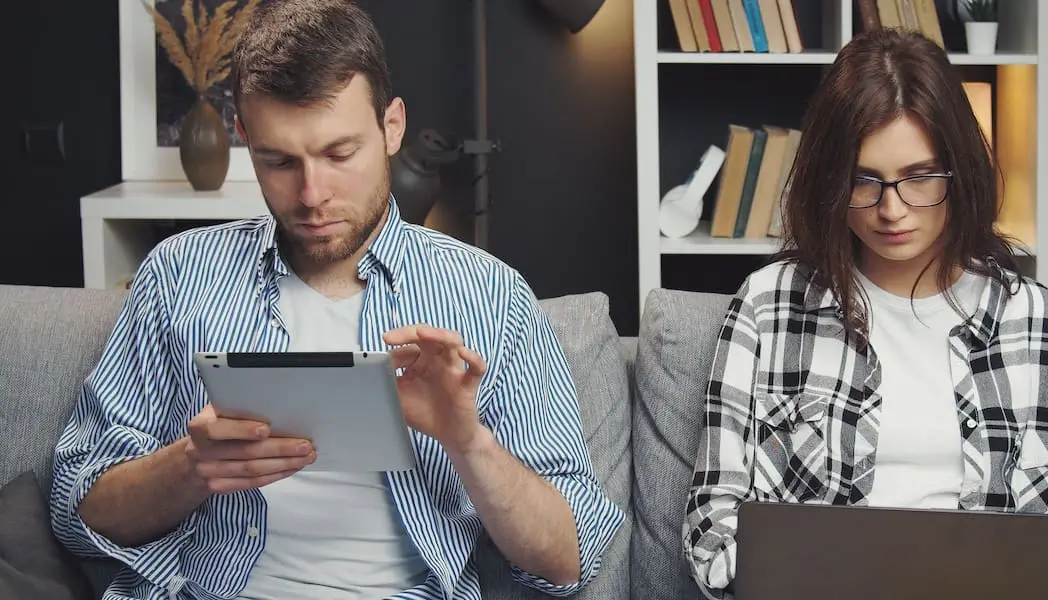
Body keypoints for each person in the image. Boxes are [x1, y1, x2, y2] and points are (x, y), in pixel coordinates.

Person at [49, 1, 624, 599]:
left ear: (392, 127)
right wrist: (191, 468)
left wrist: (467, 440)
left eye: (339, 154)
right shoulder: (179, 274)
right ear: (245, 139)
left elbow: (566, 558)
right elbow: (77, 509)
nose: (311, 194)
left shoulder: (490, 296)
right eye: (279, 162)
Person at [682, 28, 1048, 600]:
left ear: (960, 173)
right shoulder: (768, 306)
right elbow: (712, 526)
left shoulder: (1046, 325)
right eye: (864, 180)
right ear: (830, 180)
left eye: (919, 177)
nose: (892, 209)